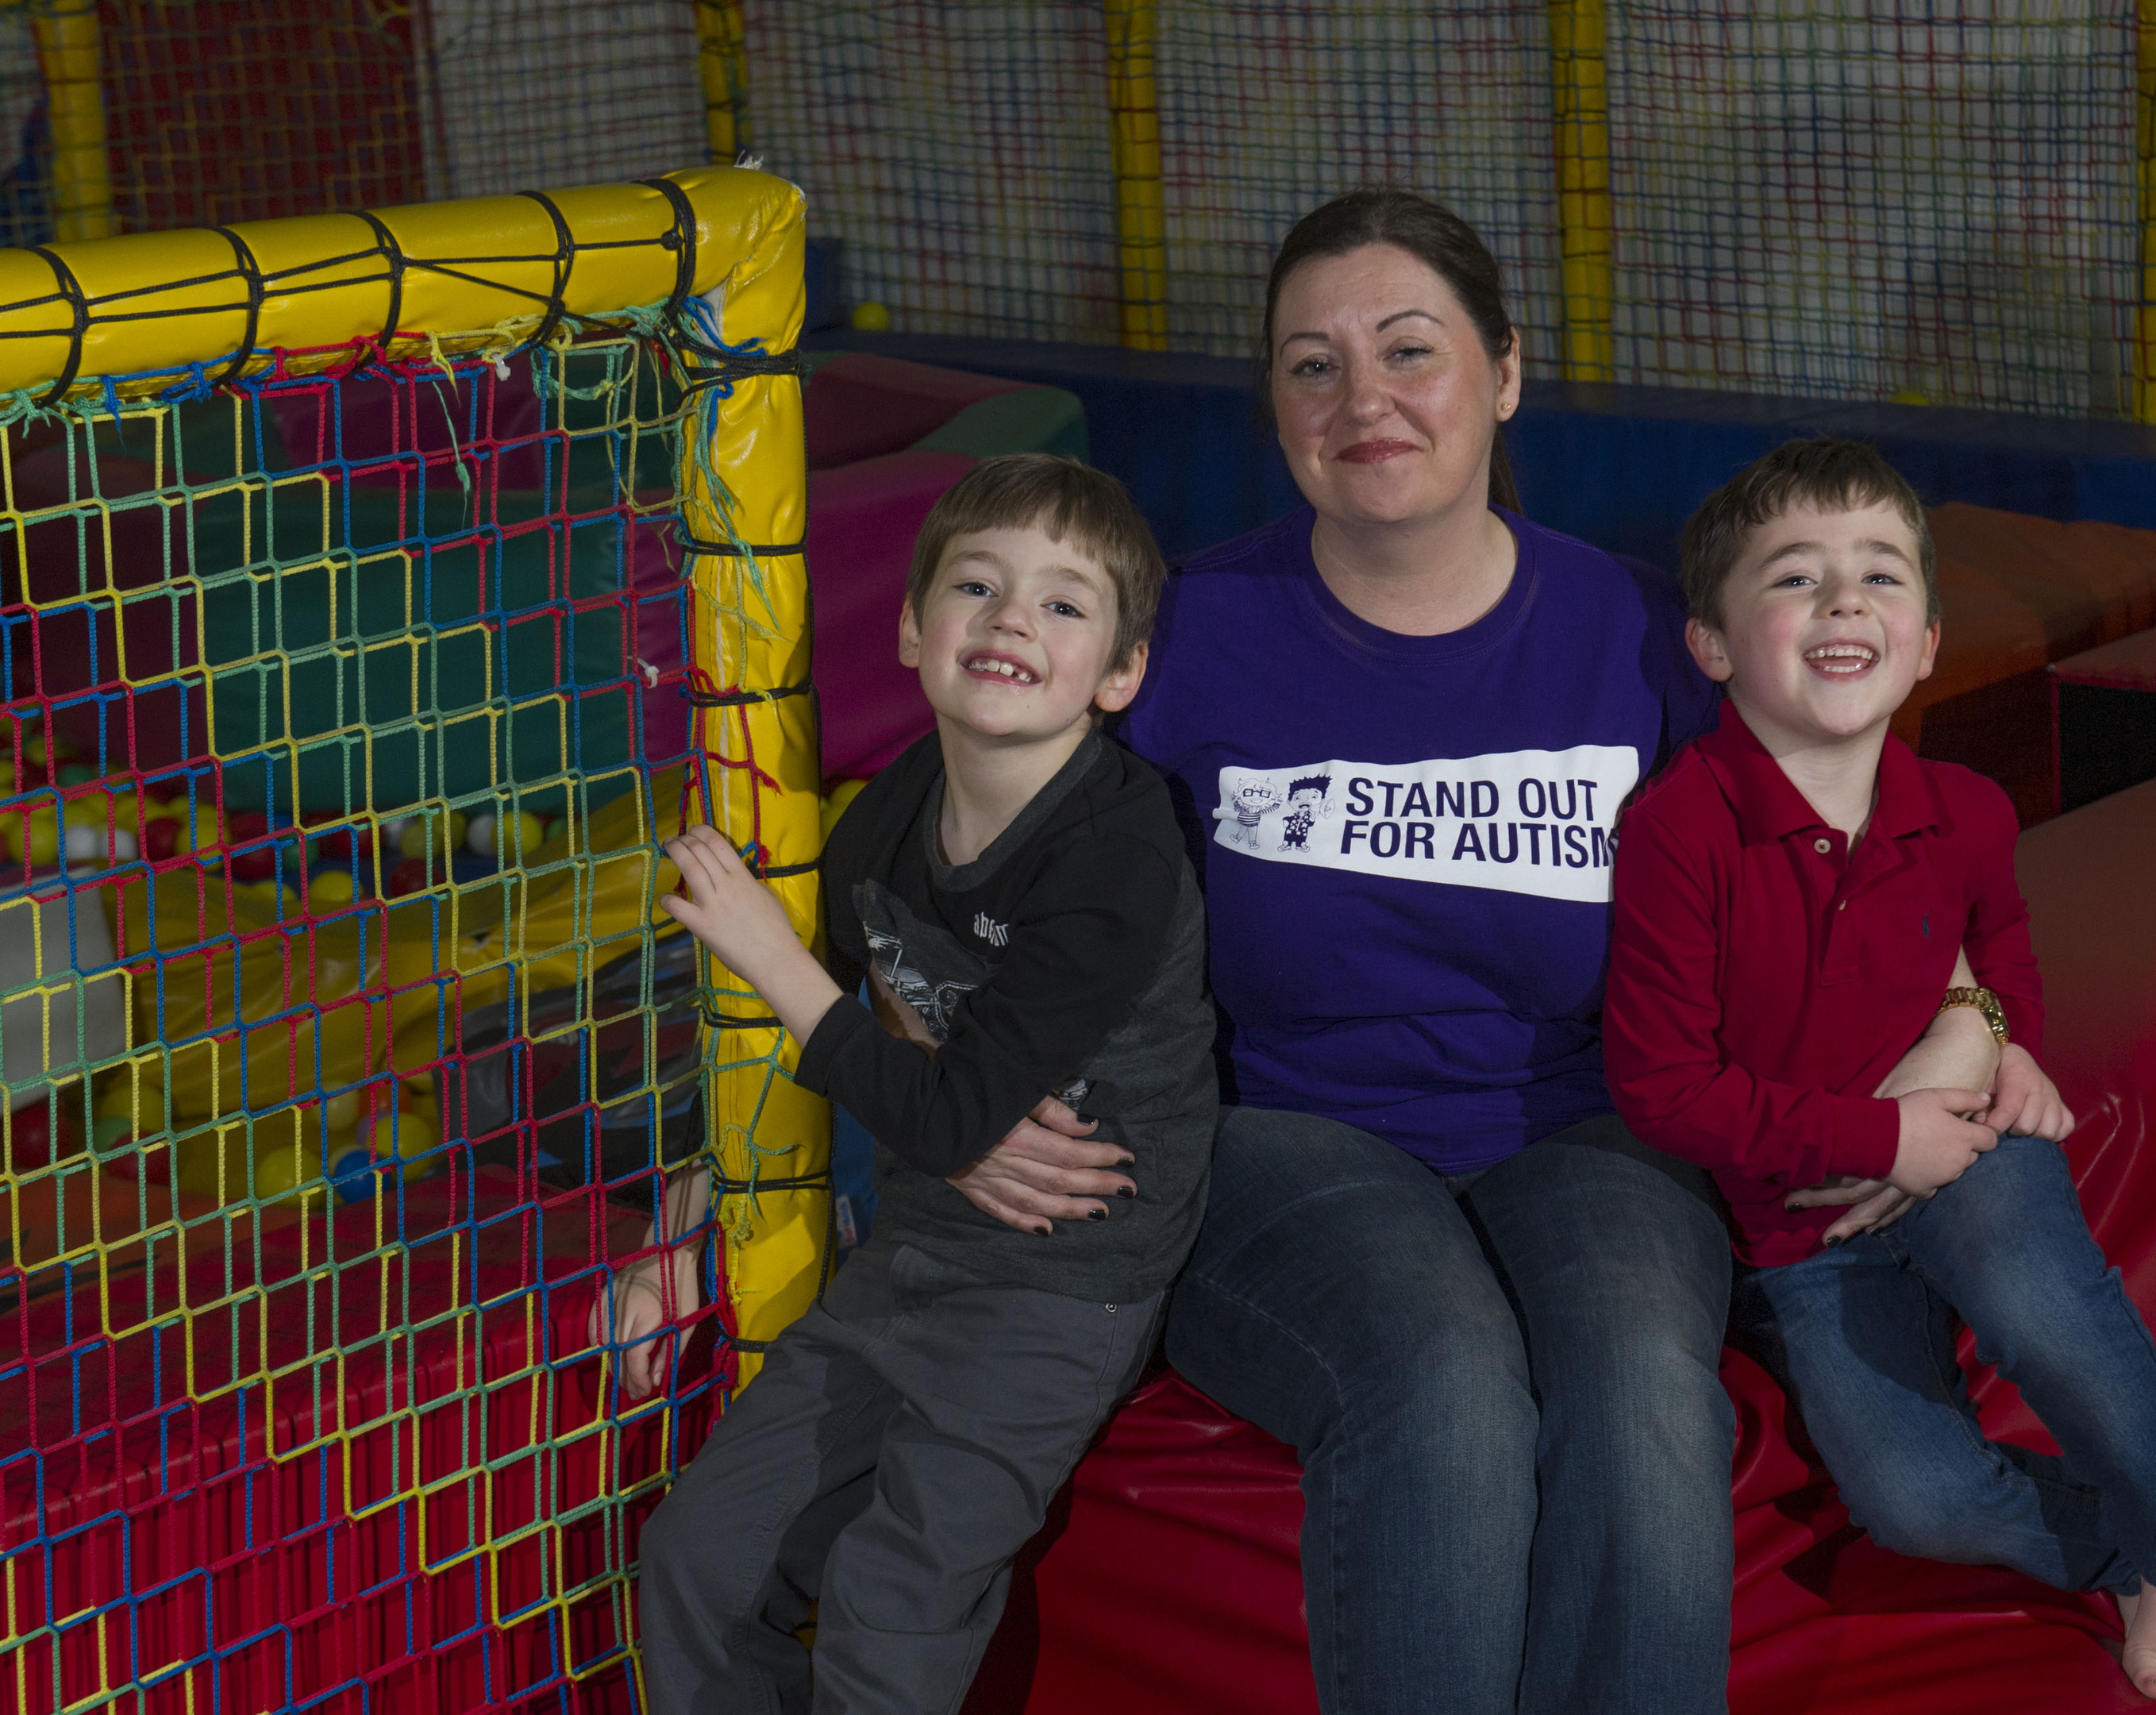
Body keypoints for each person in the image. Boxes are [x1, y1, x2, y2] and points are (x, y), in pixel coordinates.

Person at [1097, 190, 1989, 1714]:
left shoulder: (1640, 638)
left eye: (1408, 350)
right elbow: (973, 866)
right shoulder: (1181, 638)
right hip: (1281, 1130)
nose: (1362, 398)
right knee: (1439, 1378)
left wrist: (1964, 1020)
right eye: (1311, 365)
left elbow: (1863, 847)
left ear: (1504, 374)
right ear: (1274, 407)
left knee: (1645, 1380)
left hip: (1594, 1118)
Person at [1603, 435, 2156, 1706]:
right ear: (1714, 647)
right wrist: (1875, 1141)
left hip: (1968, 1152)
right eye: (1796, 578)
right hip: (1804, 1223)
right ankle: (2107, 1544)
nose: (1845, 602)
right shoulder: (1679, 832)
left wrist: (2006, 1045)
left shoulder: (1966, 808)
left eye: (1881, 577)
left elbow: (2004, 950)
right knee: (1915, 1498)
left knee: (2043, 1297)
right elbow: (1662, 1086)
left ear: (1930, 641)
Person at [633, 454, 1218, 1714]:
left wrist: (781, 964)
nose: (1013, 618)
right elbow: (848, 1057)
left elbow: (941, 1106)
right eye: (977, 584)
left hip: (1061, 1289)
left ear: (1118, 676)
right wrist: (680, 1224)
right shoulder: (895, 810)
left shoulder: (1118, 851)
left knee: (892, 1609)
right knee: (698, 1561)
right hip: (911, 1257)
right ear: (911, 629)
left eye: (1065, 605)